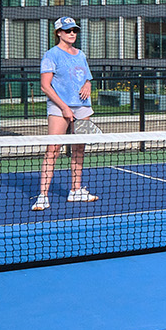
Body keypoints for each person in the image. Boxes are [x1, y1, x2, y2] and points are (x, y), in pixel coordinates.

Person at [32, 17, 97, 212]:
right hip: (59, 108)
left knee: (79, 149)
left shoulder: (80, 54)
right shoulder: (51, 55)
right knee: (53, 149)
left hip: (83, 107)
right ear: (58, 33)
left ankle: (76, 190)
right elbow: (45, 86)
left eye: (74, 30)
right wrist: (64, 108)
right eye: (68, 30)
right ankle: (42, 196)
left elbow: (87, 78)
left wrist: (88, 84)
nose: (72, 34)